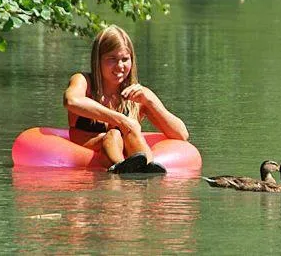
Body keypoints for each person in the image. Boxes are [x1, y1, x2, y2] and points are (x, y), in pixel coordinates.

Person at [63, 24, 189, 174]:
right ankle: (121, 169)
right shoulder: (84, 82)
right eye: (112, 59)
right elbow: (71, 101)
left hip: (130, 153)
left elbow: (181, 134)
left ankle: (147, 169)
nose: (120, 66)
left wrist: (149, 101)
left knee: (132, 133)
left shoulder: (137, 95)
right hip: (88, 150)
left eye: (125, 59)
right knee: (114, 134)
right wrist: (121, 120)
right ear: (98, 60)